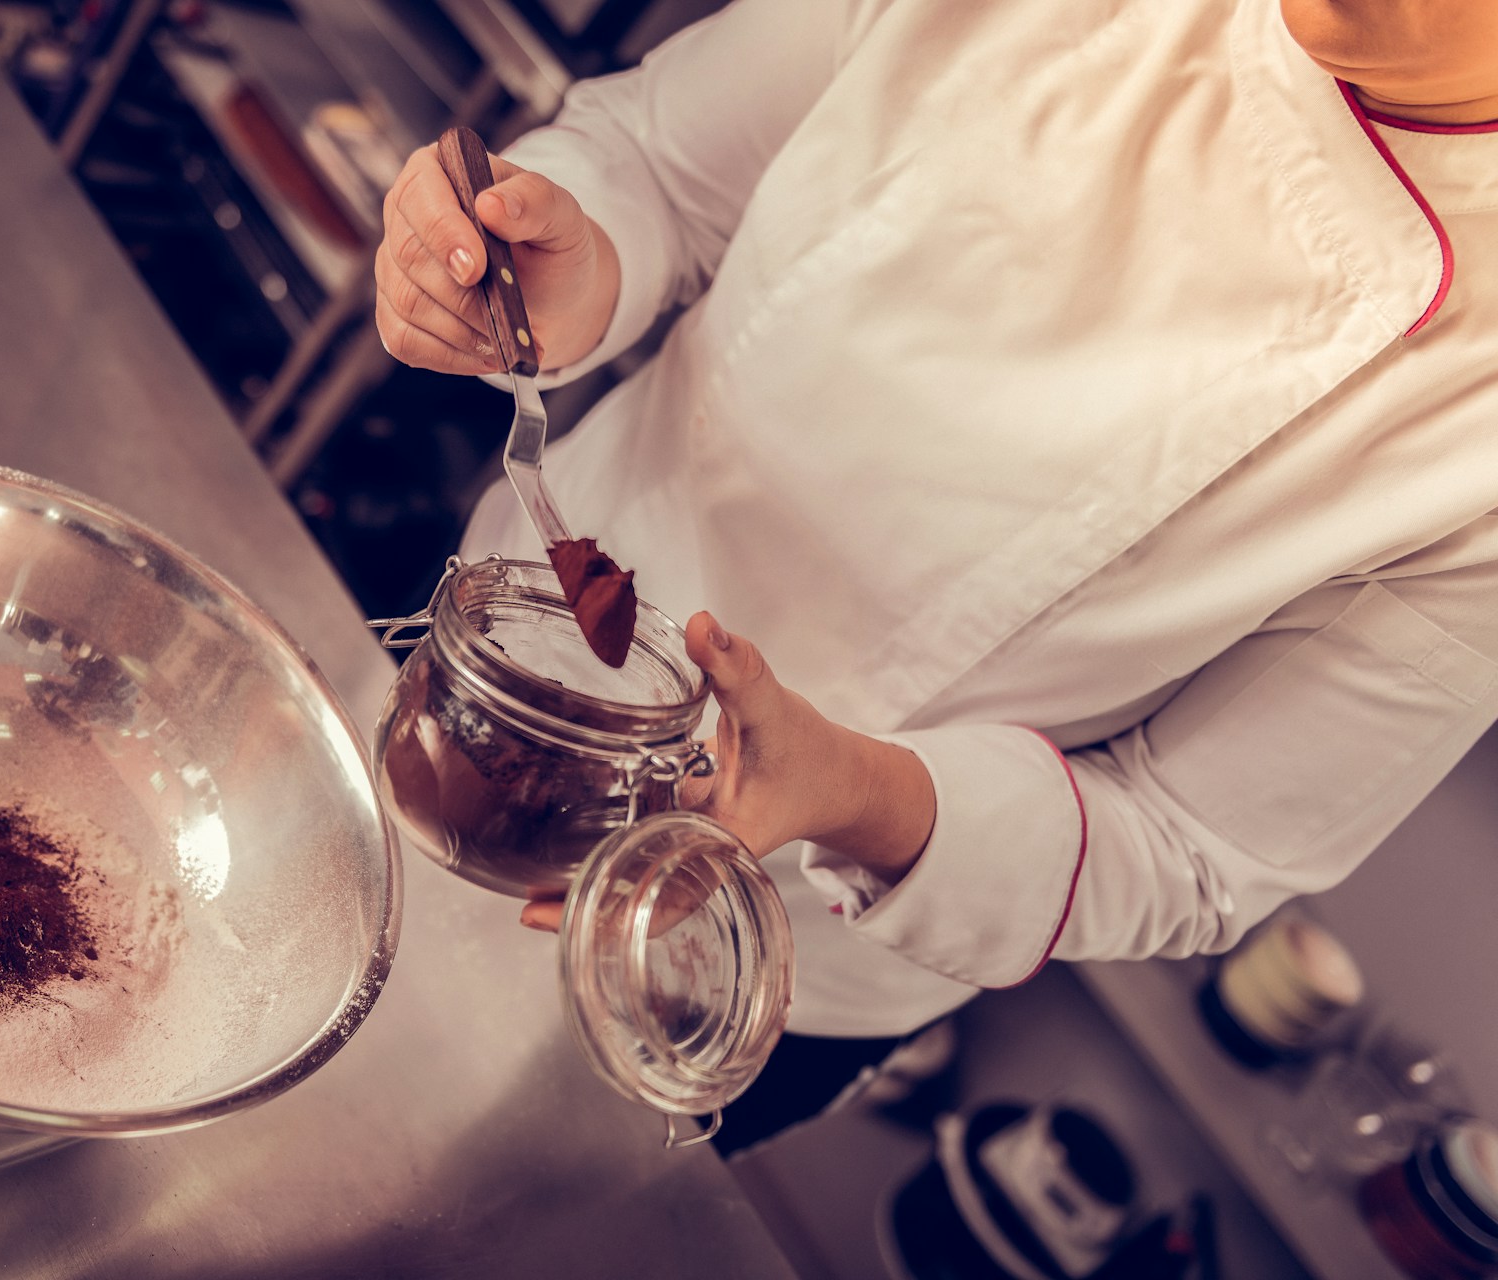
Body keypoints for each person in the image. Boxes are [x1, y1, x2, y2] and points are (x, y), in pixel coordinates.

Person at [373, 0, 1498, 1148]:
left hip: (739, 950)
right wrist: (575, 262)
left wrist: (855, 793)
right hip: (492, 670)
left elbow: (1190, 845)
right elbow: (659, 162)